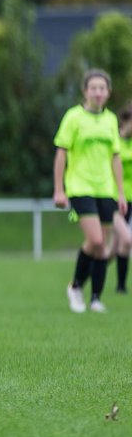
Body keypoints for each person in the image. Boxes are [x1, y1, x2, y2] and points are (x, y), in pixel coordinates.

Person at [52, 70, 127, 313]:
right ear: (85, 91)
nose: (97, 92)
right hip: (80, 186)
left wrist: (121, 193)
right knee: (95, 240)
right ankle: (75, 287)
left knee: (102, 246)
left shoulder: (111, 120)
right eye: (93, 88)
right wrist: (59, 189)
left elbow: (116, 159)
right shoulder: (73, 117)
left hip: (105, 188)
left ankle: (95, 298)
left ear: (108, 92)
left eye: (102, 88)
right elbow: (61, 153)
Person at [114, 102, 132, 294]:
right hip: (117, 199)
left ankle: (120, 286)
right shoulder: (114, 141)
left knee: (114, 248)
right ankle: (121, 286)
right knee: (124, 241)